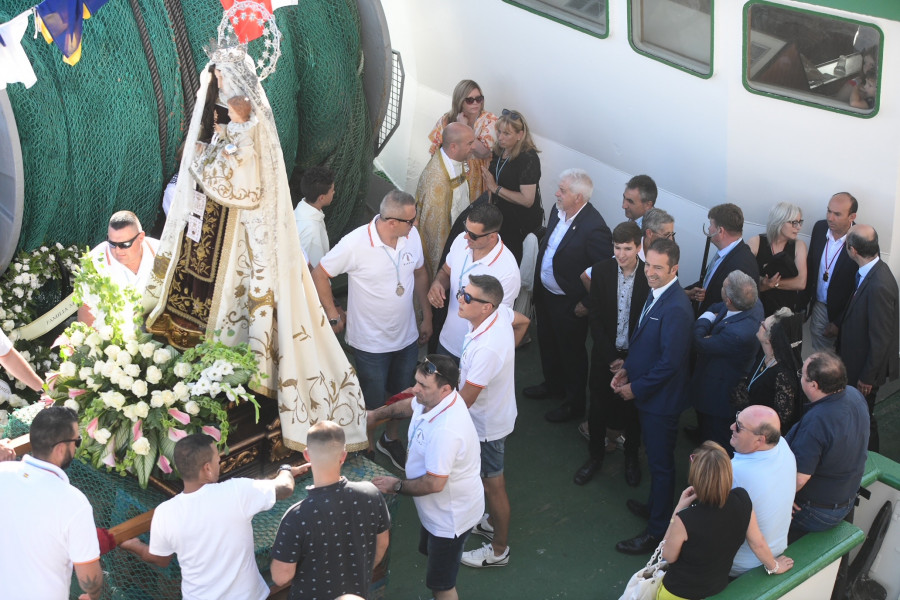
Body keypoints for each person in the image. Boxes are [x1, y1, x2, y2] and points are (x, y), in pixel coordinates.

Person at [144, 44, 365, 454]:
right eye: (217, 79)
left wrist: (227, 138)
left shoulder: (253, 127)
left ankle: (234, 386)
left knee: (232, 313)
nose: (219, 86)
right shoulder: (225, 121)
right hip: (205, 238)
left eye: (224, 78)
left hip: (239, 245)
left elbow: (239, 186)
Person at [313, 190, 432, 469]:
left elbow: (420, 272)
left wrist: (427, 315)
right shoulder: (355, 243)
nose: (415, 225)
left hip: (406, 338)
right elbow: (320, 273)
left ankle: (390, 440)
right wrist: (333, 313)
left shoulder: (411, 236)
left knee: (403, 394)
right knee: (373, 400)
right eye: (411, 221)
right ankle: (367, 445)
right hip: (370, 344)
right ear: (392, 221)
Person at [119, 433, 309, 600]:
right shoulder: (236, 491)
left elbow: (161, 559)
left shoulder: (165, 512)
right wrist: (285, 470)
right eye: (218, 460)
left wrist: (133, 545)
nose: (220, 464)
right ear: (207, 468)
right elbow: (285, 488)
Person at [371, 355, 484, 600]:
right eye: (416, 382)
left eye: (423, 386)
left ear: (445, 389)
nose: (415, 389)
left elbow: (434, 483)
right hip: (434, 513)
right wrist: (376, 415)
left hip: (449, 521)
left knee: (442, 585)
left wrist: (397, 485)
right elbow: (408, 405)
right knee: (433, 560)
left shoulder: (446, 430)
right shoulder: (432, 401)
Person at [612, 239, 694, 555]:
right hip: (650, 394)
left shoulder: (676, 308)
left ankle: (657, 531)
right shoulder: (659, 293)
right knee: (656, 460)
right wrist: (627, 370)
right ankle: (654, 508)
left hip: (661, 402)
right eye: (649, 265)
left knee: (661, 467)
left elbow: (670, 363)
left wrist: (636, 388)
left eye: (658, 267)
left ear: (674, 269)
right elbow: (645, 343)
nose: (650, 272)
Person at [523, 169, 613, 424]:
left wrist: (586, 303)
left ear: (579, 197)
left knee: (572, 354)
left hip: (569, 303)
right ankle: (553, 386)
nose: (556, 193)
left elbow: (605, 273)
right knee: (548, 343)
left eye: (562, 190)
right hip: (546, 296)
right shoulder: (557, 209)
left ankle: (574, 405)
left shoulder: (595, 228)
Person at [657, 442, 793, 599]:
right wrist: (775, 567)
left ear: (696, 477)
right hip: (717, 588)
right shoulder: (742, 499)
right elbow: (758, 543)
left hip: (678, 593)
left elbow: (668, 555)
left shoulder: (685, 519)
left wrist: (677, 510)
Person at [270, 421, 390, 599]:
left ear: (307, 456)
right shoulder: (371, 493)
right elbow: (382, 544)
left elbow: (281, 577)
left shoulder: (296, 516)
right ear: (343, 456)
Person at [454, 275, 525, 568]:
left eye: (467, 297)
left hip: (486, 427)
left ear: (486, 307)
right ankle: (492, 523)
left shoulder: (487, 349)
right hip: (495, 416)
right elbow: (523, 322)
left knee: (493, 484)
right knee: (490, 482)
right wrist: (507, 358)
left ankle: (498, 550)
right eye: (462, 292)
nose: (460, 299)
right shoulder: (500, 315)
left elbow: (465, 400)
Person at [0, 406, 104, 600]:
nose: (76, 447)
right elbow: (89, 576)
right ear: (61, 448)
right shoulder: (74, 502)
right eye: (77, 441)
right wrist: (92, 594)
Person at [575, 221, 649, 487]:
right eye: (617, 248)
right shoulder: (603, 271)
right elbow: (594, 316)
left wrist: (629, 362)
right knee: (597, 408)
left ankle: (631, 459)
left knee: (633, 413)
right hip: (605, 356)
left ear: (638, 247)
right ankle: (595, 457)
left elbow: (648, 325)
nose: (621, 254)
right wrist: (611, 358)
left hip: (635, 358)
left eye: (627, 248)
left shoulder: (649, 277)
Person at [786, 352, 869, 542]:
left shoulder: (818, 421)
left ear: (813, 385)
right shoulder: (854, 395)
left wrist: (782, 499)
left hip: (816, 511)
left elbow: (799, 478)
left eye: (802, 375)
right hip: (844, 499)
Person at [427, 203, 521, 362]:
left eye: (473, 235)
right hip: (446, 343)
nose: (466, 237)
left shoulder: (507, 271)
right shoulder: (461, 241)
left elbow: (499, 321)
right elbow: (445, 271)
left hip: (475, 355)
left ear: (492, 236)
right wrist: (438, 284)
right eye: (466, 230)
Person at [837, 225, 899, 452]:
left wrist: (867, 377)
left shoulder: (879, 285)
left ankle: (871, 459)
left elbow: (881, 337)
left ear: (853, 251)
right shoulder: (871, 273)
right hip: (857, 363)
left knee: (864, 418)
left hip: (864, 371)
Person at [691, 270, 764, 453]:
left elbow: (699, 341)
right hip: (716, 378)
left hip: (719, 393)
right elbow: (715, 307)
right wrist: (711, 317)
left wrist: (704, 324)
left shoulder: (738, 333)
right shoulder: (751, 302)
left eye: (723, 287)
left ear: (730, 300)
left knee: (716, 439)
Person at [729, 406, 797, 577]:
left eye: (739, 426)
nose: (732, 427)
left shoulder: (734, 472)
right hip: (778, 546)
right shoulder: (782, 445)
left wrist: (773, 566)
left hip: (740, 564)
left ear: (760, 440)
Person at [480, 109, 542, 264]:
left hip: (519, 225)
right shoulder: (499, 150)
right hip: (499, 219)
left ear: (520, 135)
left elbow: (528, 200)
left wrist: (496, 188)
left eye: (506, 134)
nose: (500, 137)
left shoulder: (528, 158)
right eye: (499, 132)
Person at [78, 210, 160, 325]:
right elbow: (86, 311)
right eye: (112, 243)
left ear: (141, 237)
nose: (117, 250)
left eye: (124, 245)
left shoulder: (162, 253)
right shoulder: (94, 262)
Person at [416, 122, 476, 278]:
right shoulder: (437, 181)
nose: (473, 147)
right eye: (469, 143)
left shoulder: (455, 160)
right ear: (454, 147)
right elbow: (435, 233)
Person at [732, 308, 802, 434]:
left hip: (761, 434)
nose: (761, 323)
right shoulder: (764, 355)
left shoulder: (783, 375)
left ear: (769, 338)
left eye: (763, 324)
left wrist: (749, 408)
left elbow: (782, 417)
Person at [805, 192, 859, 352]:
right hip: (820, 307)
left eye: (837, 214)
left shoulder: (860, 237)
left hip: (847, 314)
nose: (830, 217)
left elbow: (860, 287)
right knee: (822, 357)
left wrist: (838, 321)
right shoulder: (820, 227)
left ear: (852, 216)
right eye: (829, 211)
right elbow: (811, 265)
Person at [427, 79, 497, 200]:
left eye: (479, 99)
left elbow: (484, 152)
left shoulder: (489, 120)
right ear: (460, 101)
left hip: (477, 179)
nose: (475, 103)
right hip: (450, 175)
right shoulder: (446, 120)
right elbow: (435, 153)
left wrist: (464, 128)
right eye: (470, 100)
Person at [685, 203, 759, 315]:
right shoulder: (727, 253)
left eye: (711, 224)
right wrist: (686, 292)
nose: (709, 228)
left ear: (720, 231)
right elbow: (708, 281)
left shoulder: (742, 264)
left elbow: (736, 309)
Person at [195, 94, 260, 202]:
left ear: (239, 113)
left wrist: (232, 158)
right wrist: (222, 130)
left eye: (231, 112)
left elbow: (246, 150)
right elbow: (230, 132)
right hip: (228, 150)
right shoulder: (234, 124)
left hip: (239, 163)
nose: (228, 114)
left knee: (229, 180)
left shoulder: (246, 132)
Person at [747, 202, 808, 316]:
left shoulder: (799, 246)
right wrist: (764, 284)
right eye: (794, 223)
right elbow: (744, 277)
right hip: (756, 309)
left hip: (784, 312)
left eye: (800, 222)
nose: (799, 227)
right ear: (779, 221)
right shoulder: (755, 242)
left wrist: (769, 284)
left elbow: (801, 283)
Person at [294, 166, 335, 268]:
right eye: (332, 190)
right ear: (321, 198)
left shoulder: (299, 211)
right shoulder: (312, 230)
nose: (334, 192)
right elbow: (314, 271)